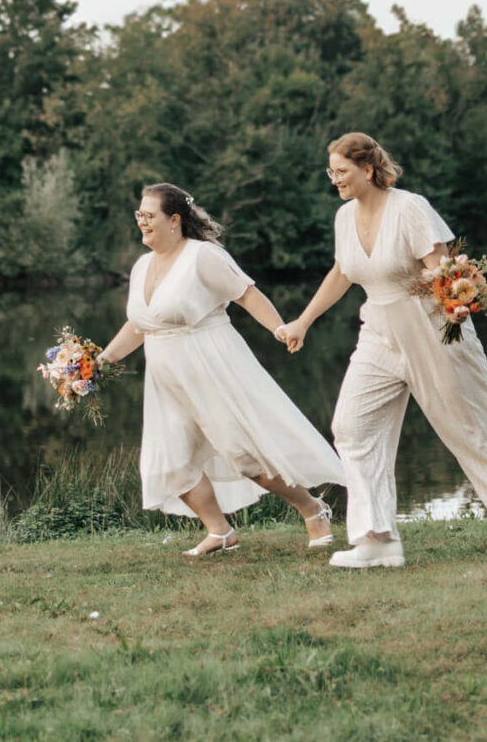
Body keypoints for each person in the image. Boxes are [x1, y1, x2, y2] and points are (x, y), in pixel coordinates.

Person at [276, 132, 487, 568]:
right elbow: (341, 273)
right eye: (331, 172)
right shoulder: (343, 218)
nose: (335, 180)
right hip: (378, 334)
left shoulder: (410, 208)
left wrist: (459, 306)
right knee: (352, 427)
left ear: (368, 169)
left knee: (473, 428)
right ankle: (377, 539)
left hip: (431, 329)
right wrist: (303, 321)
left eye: (342, 172)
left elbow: (441, 270)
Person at [97, 183, 342, 558]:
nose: (141, 222)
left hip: (210, 366)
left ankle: (312, 507)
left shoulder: (202, 257)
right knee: (170, 461)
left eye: (149, 215)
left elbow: (246, 294)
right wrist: (101, 362)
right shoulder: (142, 265)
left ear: (174, 220)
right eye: (139, 215)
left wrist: (279, 329)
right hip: (166, 380)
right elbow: (140, 325)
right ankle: (220, 532)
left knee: (245, 457)